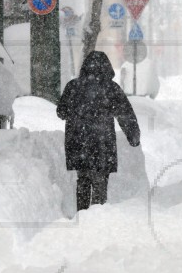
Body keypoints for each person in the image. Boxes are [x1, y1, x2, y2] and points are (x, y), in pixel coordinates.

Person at [57, 51, 140, 212]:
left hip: (78, 143)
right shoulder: (111, 88)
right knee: (100, 180)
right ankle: (97, 215)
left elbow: (61, 112)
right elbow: (125, 114)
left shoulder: (73, 86)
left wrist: (78, 112)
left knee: (83, 180)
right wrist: (133, 136)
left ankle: (82, 213)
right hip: (102, 144)